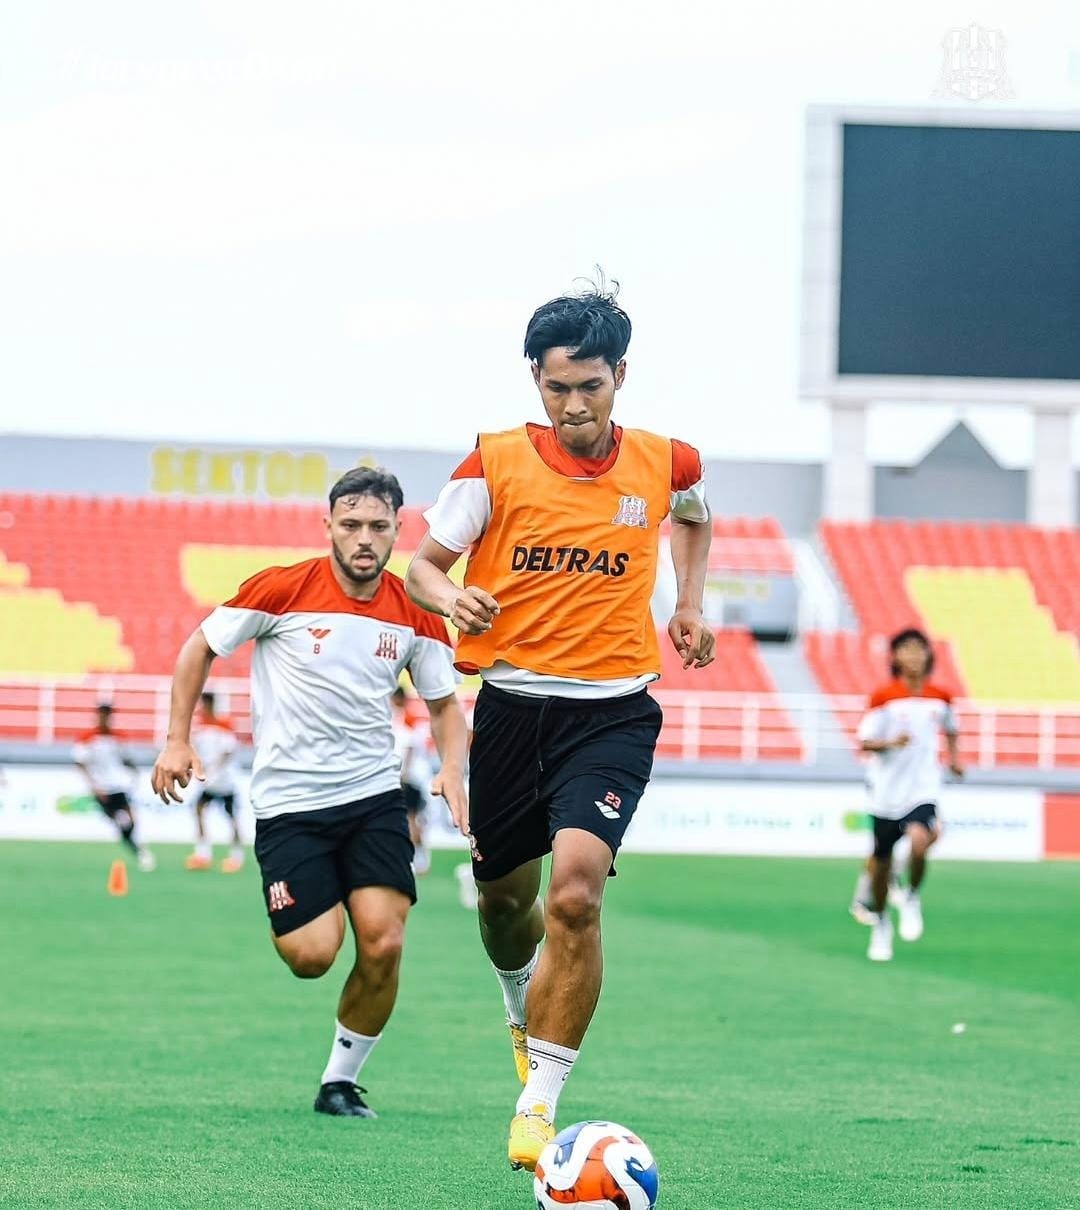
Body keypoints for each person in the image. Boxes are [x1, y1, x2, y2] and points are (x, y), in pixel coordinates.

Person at [405, 280, 714, 1171]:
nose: (573, 407)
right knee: (507, 907)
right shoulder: (493, 464)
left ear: (621, 375)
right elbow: (423, 566)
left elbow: (694, 519)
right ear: (534, 382)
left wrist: (688, 604)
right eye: (555, 388)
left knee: (575, 893)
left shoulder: (667, 461)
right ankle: (518, 1004)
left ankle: (538, 1103)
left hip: (613, 713)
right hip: (511, 709)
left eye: (591, 387)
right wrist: (451, 592)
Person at [151, 467, 468, 1118]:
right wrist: (177, 738)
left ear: (396, 532)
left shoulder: (416, 612)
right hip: (290, 806)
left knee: (384, 941)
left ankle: (340, 1081)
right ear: (327, 525)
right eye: (350, 524)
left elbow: (444, 708)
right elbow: (198, 648)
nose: (363, 538)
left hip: (373, 797)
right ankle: (302, 916)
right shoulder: (281, 588)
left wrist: (452, 768)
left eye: (378, 527)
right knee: (312, 955)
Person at [854, 628, 963, 962]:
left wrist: (955, 759)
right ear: (895, 657)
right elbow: (864, 741)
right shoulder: (884, 697)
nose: (914, 655)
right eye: (907, 649)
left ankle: (912, 896)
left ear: (929, 656)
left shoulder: (940, 697)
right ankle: (882, 922)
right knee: (881, 864)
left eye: (920, 649)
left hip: (923, 788)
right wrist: (891, 743)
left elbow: (952, 728)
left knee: (920, 838)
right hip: (886, 793)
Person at [73, 703, 155, 871]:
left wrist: (135, 771)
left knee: (130, 820)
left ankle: (139, 849)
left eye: (108, 715)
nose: (105, 718)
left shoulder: (118, 737)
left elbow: (125, 758)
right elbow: (81, 764)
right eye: (103, 714)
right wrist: (94, 786)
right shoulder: (87, 738)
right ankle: (139, 850)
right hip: (102, 788)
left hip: (118, 785)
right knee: (120, 821)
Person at [185, 692, 245, 874]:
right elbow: (194, 750)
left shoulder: (224, 724)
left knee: (231, 817)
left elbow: (228, 752)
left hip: (225, 781)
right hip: (208, 782)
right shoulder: (200, 726)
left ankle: (236, 856)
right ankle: (203, 854)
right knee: (198, 811)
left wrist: (214, 769)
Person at [390, 685, 431, 875]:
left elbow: (408, 750)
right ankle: (419, 857)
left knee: (410, 819)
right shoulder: (406, 721)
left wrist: (402, 776)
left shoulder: (401, 722)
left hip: (407, 778)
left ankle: (419, 859)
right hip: (411, 777)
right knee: (411, 819)